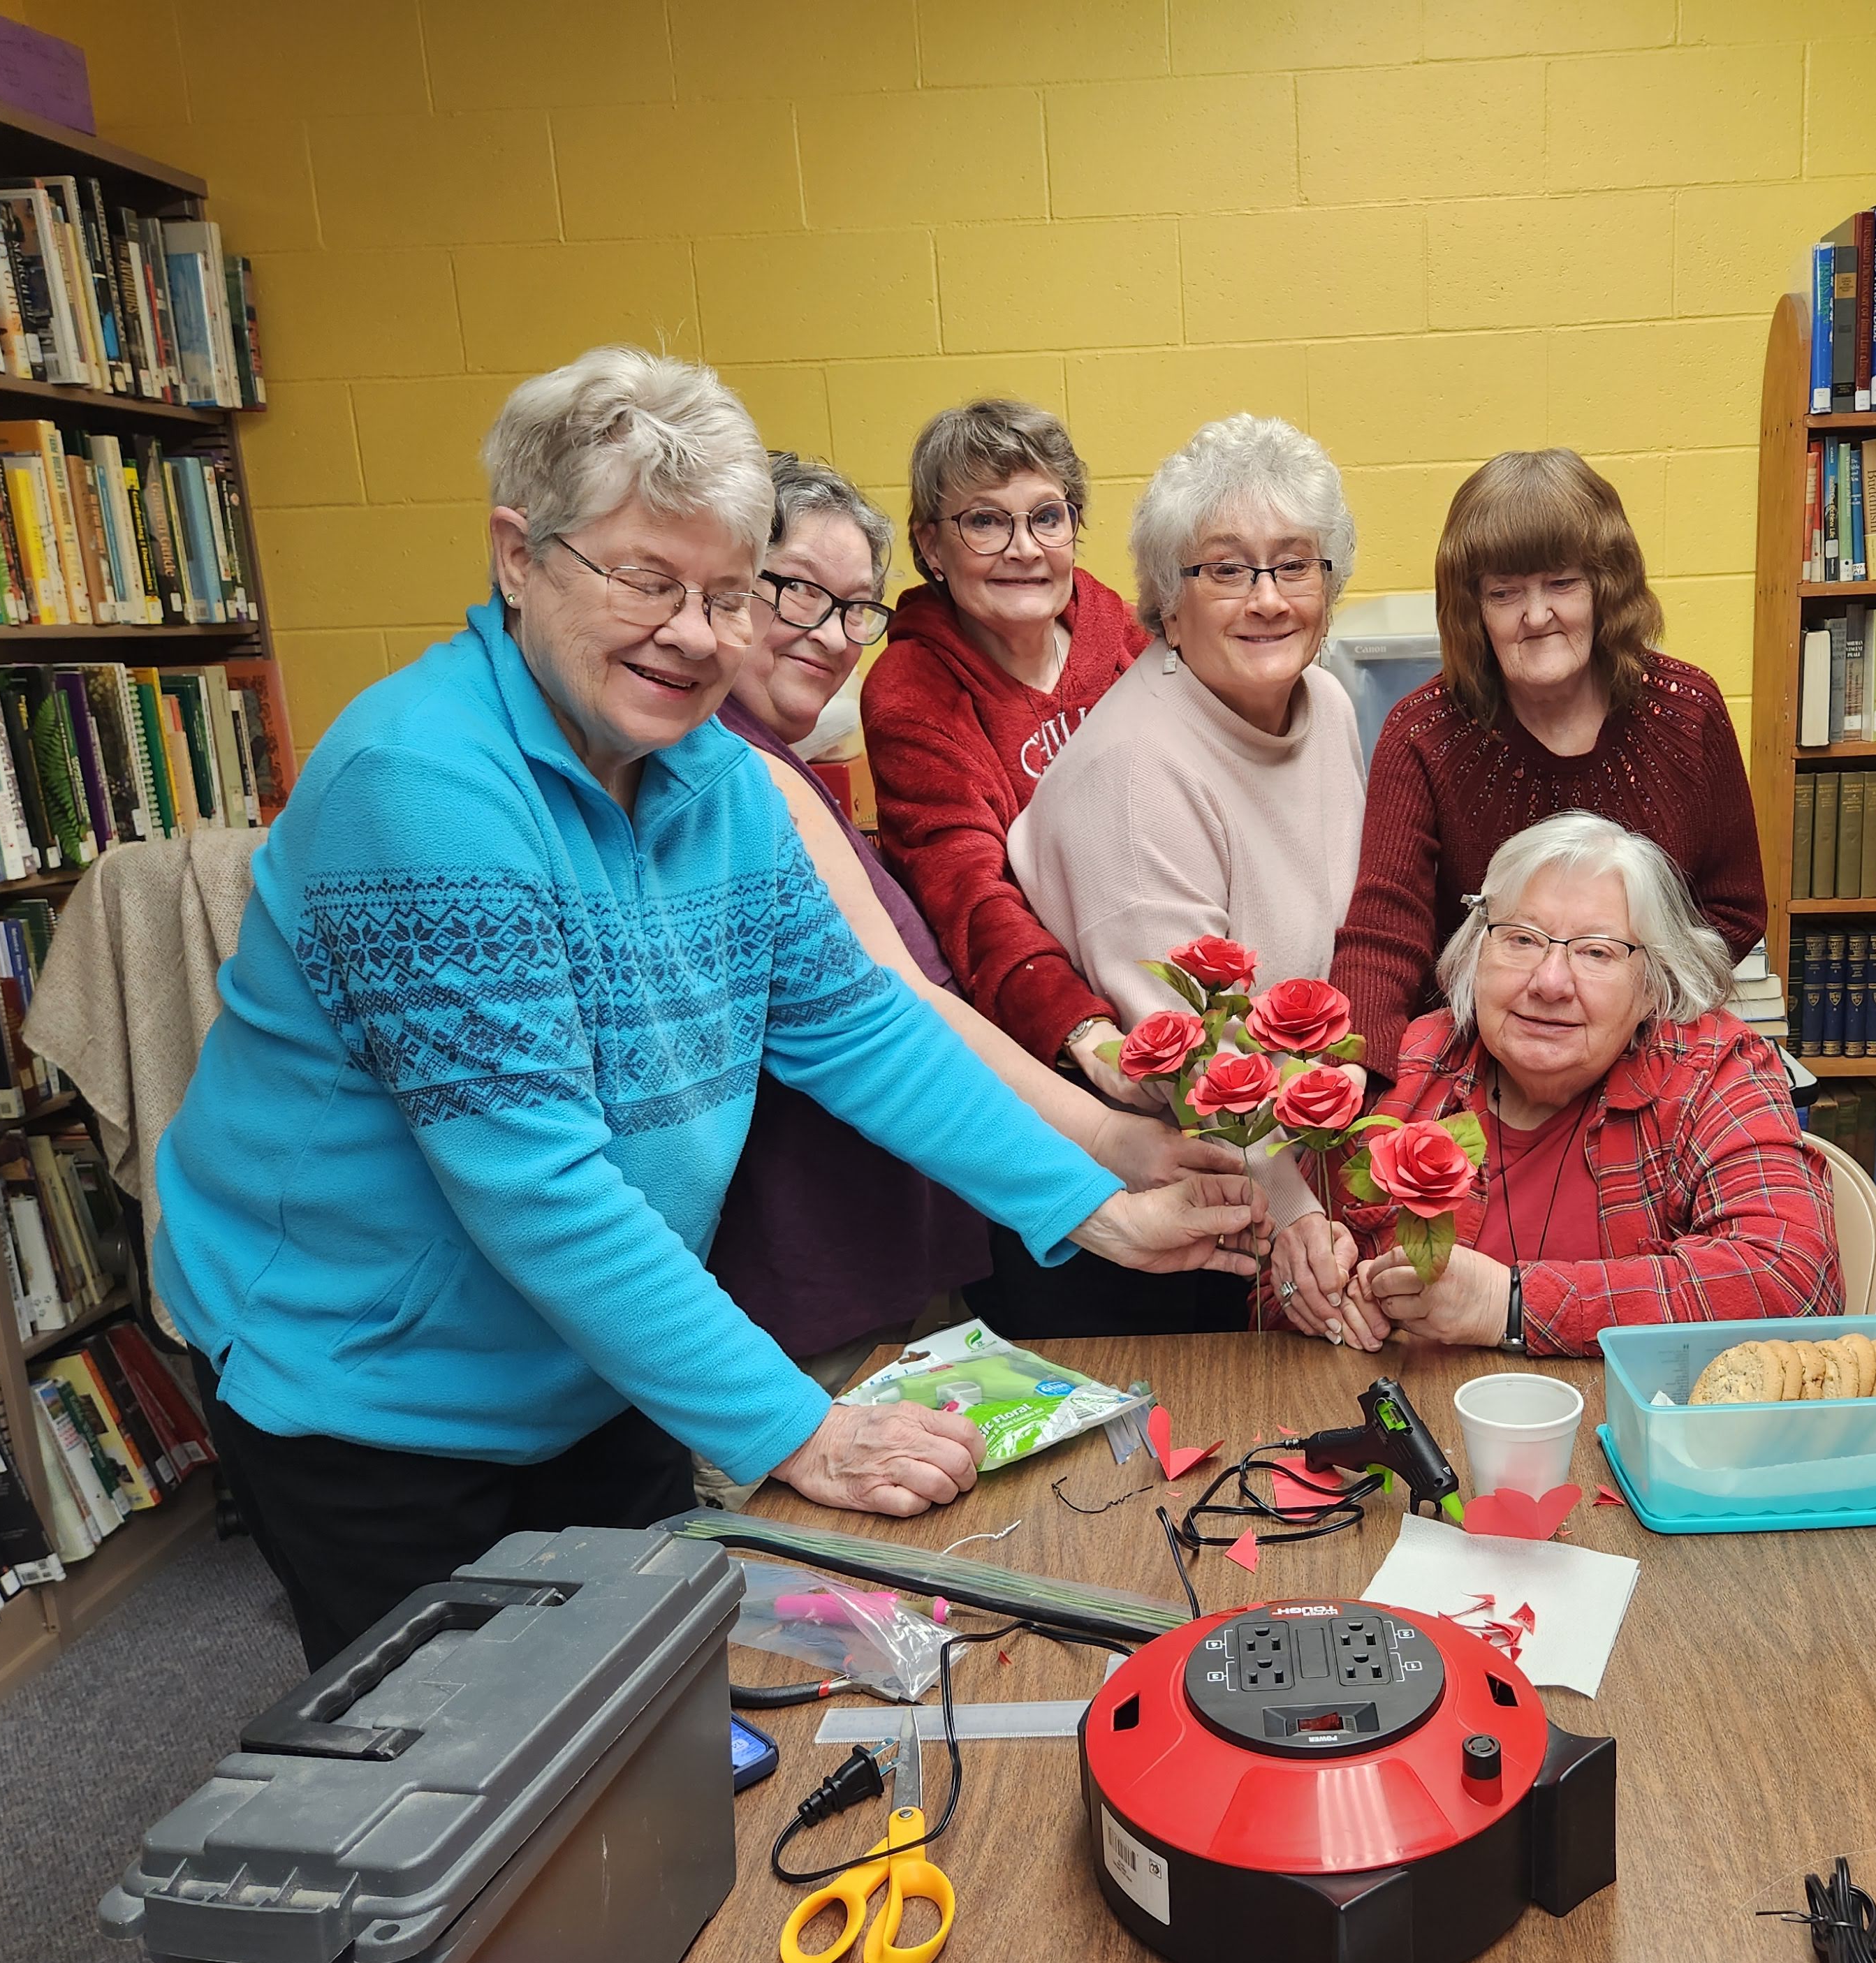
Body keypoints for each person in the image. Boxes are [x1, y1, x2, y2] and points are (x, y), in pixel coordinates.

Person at [154, 349, 1262, 1666]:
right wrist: (801, 1430)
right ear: (520, 557)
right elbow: (535, 1185)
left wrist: (1095, 1212)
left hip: (599, 1352)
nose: (694, 634)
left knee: (645, 1713)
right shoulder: (421, 787)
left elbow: (859, 1024)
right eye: (647, 580)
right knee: (466, 1777)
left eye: (728, 596)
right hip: (377, 1394)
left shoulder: (714, 780)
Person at [708, 452, 1236, 1411]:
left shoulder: (1121, 644)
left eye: (852, 608)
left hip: (904, 1261)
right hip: (814, 1304)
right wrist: (1106, 1151)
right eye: (793, 594)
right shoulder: (747, 771)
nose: (830, 637)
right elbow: (899, 1012)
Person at [1006, 414, 1367, 1336]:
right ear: (1168, 601)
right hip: (1154, 1230)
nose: (1268, 599)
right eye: (1226, 570)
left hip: (1281, 1167)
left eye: (1295, 565)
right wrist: (1308, 1227)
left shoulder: (1324, 704)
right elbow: (1198, 1065)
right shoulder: (1136, 770)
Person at [1280, 811, 1836, 1355]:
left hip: (1626, 1432)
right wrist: (1314, 1294)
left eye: (1597, 951)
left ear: (1652, 986)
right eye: (1521, 940)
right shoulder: (1410, 1068)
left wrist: (1510, 1305)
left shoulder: (1714, 1069)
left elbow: (1793, 1280)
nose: (1549, 982)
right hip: (1414, 1428)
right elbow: (1278, 1283)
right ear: (1477, 955)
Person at [1330, 449, 1768, 1076]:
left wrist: (1613, 1015)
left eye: (1562, 584)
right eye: (1504, 592)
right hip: (1479, 1059)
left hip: (1647, 1047)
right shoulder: (1421, 736)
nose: (1536, 616)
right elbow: (1385, 932)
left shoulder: (1687, 712)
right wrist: (1359, 1074)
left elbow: (1734, 906)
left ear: (1606, 588)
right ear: (1474, 610)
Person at [858, 398, 1150, 1092]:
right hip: (1048, 1037)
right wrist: (1086, 1036)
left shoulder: (1130, 641)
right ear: (931, 547)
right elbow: (967, 889)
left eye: (1047, 517)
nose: (1023, 549)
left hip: (1170, 983)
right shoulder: (911, 691)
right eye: (985, 521)